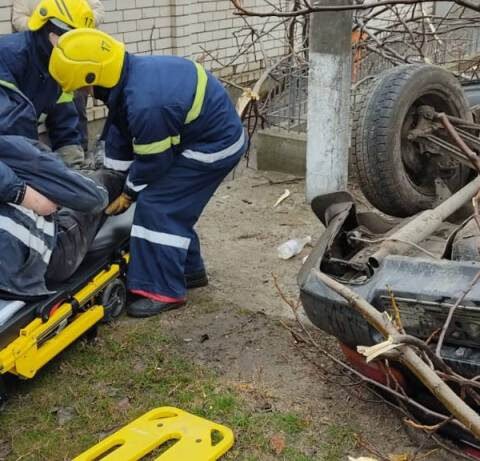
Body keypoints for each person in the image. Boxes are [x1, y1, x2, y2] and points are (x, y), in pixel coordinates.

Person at [48, 29, 247, 318]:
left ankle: (162, 290)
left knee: (159, 206)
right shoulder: (128, 79)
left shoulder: (147, 103)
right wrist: (112, 177)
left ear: (94, 77)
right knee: (175, 206)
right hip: (195, 135)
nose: (83, 94)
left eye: (82, 88)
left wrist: (129, 192)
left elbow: (153, 161)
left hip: (214, 147)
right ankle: (190, 272)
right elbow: (121, 131)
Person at [0, 134, 123, 298]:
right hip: (32, 266)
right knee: (105, 182)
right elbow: (94, 199)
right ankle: (124, 180)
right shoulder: (15, 150)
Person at [0, 0, 96, 168]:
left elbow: (64, 118)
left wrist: (73, 165)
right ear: (50, 32)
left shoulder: (55, 63)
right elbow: (13, 129)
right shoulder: (9, 57)